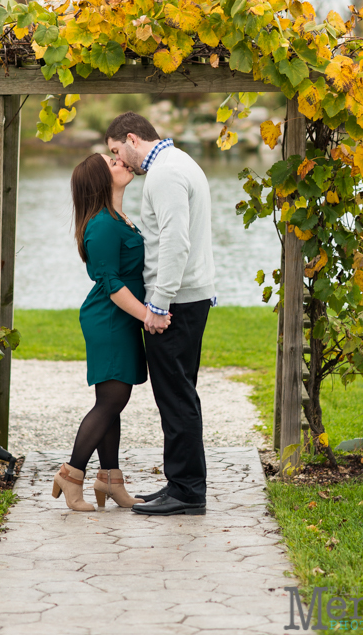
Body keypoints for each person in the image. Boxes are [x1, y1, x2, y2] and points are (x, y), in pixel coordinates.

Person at [105, 112, 215, 517]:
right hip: (188, 297)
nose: (120, 160)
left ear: (132, 138)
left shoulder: (165, 174)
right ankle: (181, 482)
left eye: (117, 151)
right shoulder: (178, 163)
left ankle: (187, 491)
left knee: (176, 395)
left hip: (178, 301)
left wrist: (159, 304)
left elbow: (175, 242)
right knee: (179, 391)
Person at [52, 152, 170, 512]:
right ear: (101, 181)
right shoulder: (102, 224)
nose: (122, 162)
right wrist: (148, 314)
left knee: (114, 401)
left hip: (120, 318)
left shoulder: (120, 218)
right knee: (111, 401)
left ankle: (110, 480)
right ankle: (71, 474)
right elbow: (111, 283)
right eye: (113, 163)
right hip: (109, 318)